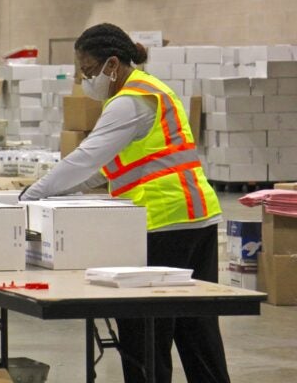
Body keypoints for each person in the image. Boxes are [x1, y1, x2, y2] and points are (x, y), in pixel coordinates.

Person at [20, 23, 229, 383]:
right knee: (196, 330)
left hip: (161, 225)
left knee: (143, 333)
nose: (86, 80)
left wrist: (30, 196)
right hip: (198, 218)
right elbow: (104, 169)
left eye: (88, 71)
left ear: (112, 64)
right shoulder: (155, 91)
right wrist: (57, 191)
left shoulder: (128, 102)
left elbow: (84, 158)